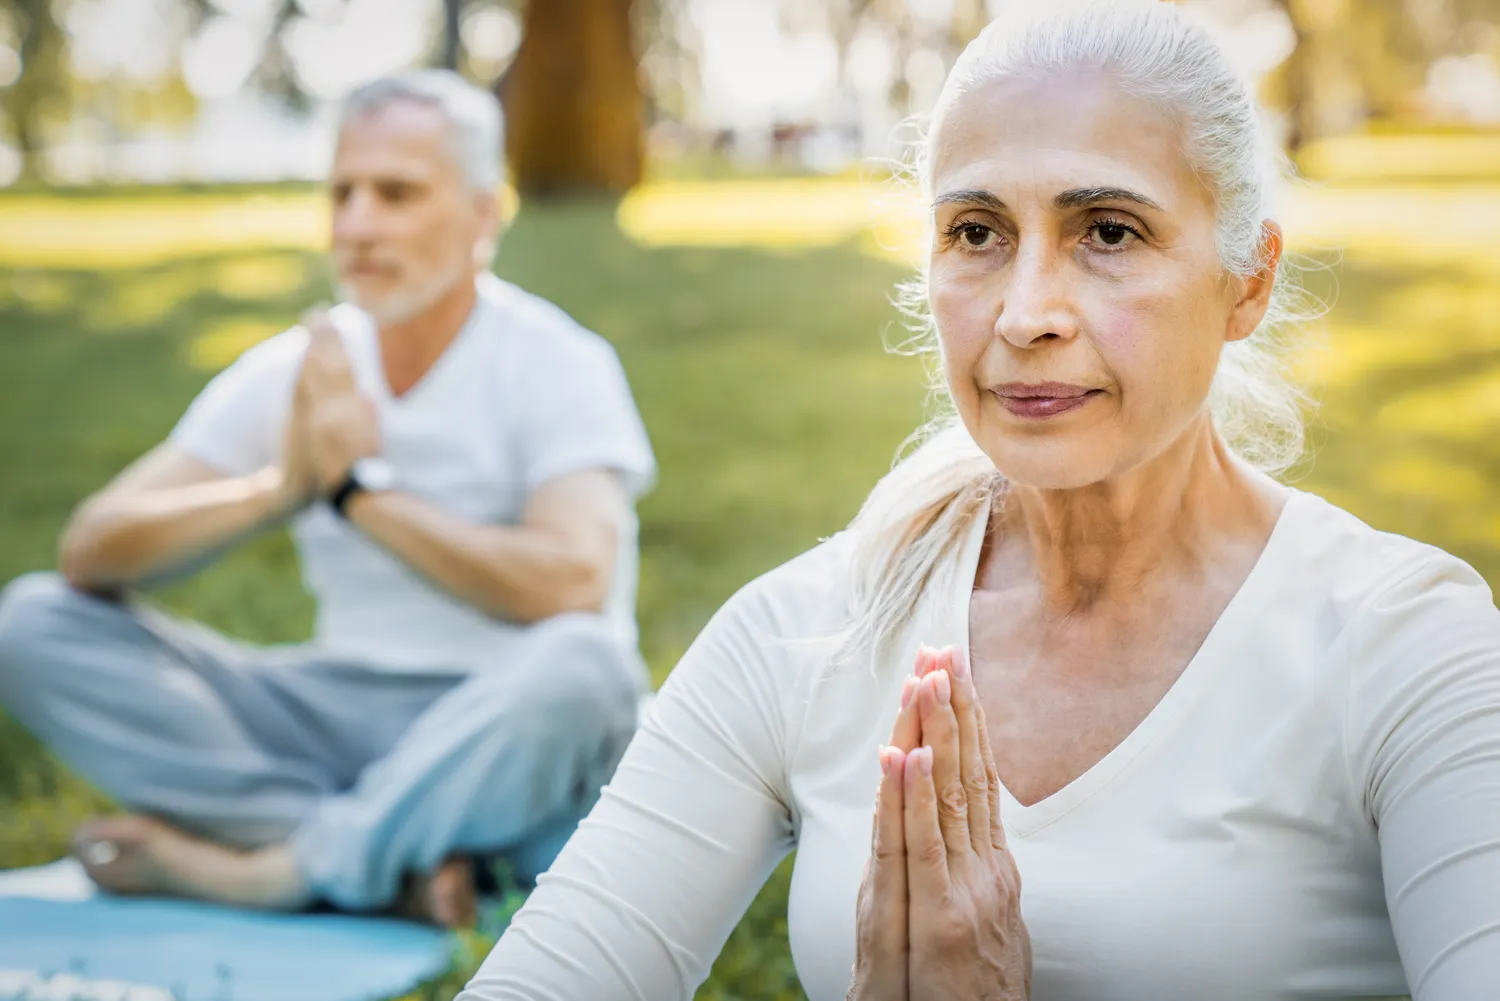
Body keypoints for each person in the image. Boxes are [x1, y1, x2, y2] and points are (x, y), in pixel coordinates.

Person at [457, 3, 1500, 998]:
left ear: (1249, 280)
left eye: (1109, 231)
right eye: (976, 232)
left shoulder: (1402, 646)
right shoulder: (811, 631)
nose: (1026, 312)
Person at [0, 70, 656, 928]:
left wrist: (359, 495)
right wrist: (279, 487)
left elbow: (570, 584)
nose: (357, 225)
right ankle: (397, 859)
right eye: (342, 193)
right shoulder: (301, 368)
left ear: (482, 216)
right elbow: (91, 550)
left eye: (396, 194)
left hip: (507, 724)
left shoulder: (557, 362)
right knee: (35, 621)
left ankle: (271, 870)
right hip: (331, 714)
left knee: (589, 668)